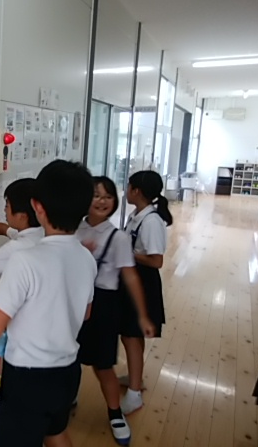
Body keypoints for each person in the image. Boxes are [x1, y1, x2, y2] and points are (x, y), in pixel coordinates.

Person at [0, 160, 97, 447]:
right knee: (55, 432)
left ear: (38, 207)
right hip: (67, 371)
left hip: (27, 378)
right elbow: (85, 314)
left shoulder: (25, 260)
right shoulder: (86, 257)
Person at [75, 176, 155, 444]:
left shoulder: (118, 237)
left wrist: (142, 315)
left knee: (103, 366)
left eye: (108, 196)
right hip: (74, 302)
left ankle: (115, 413)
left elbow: (130, 277)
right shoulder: (73, 229)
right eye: (96, 195)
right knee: (69, 358)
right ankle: (66, 399)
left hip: (103, 306)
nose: (102, 201)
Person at [118, 170, 173, 415]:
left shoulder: (151, 221)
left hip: (143, 281)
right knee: (130, 334)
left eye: (129, 187)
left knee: (131, 336)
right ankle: (135, 378)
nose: (126, 191)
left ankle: (134, 394)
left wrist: (128, 253)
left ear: (136, 191)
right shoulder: (138, 215)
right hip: (133, 278)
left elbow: (156, 261)